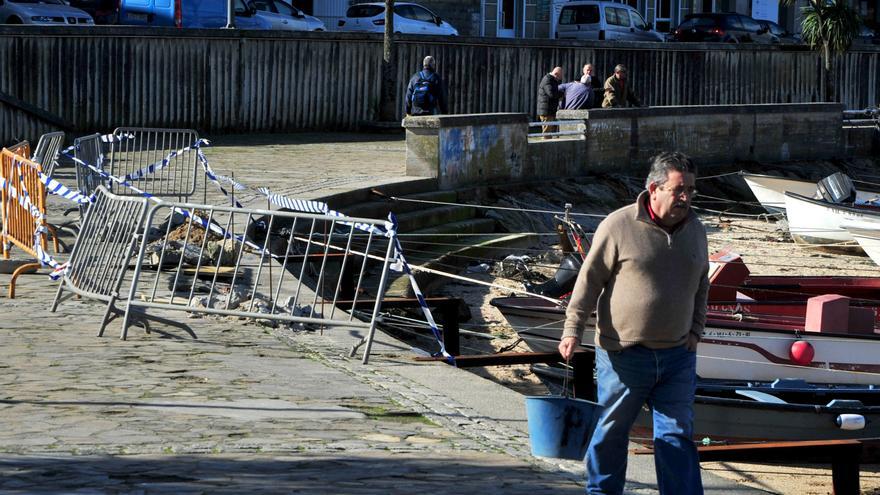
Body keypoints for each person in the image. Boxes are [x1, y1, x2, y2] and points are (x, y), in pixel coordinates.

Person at [559, 151, 707, 495]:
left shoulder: (696, 229)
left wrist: (696, 331)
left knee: (676, 437)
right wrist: (572, 329)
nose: (686, 197)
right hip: (624, 355)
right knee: (611, 432)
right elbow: (588, 281)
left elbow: (703, 283)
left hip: (677, 356)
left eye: (691, 190)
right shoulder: (618, 225)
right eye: (679, 189)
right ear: (653, 188)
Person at [536, 66, 564, 137]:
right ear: (556, 74)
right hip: (546, 111)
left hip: (549, 110)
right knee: (546, 133)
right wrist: (562, 94)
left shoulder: (551, 80)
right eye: (560, 76)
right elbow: (551, 94)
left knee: (549, 132)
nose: (561, 78)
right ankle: (544, 147)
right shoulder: (548, 80)